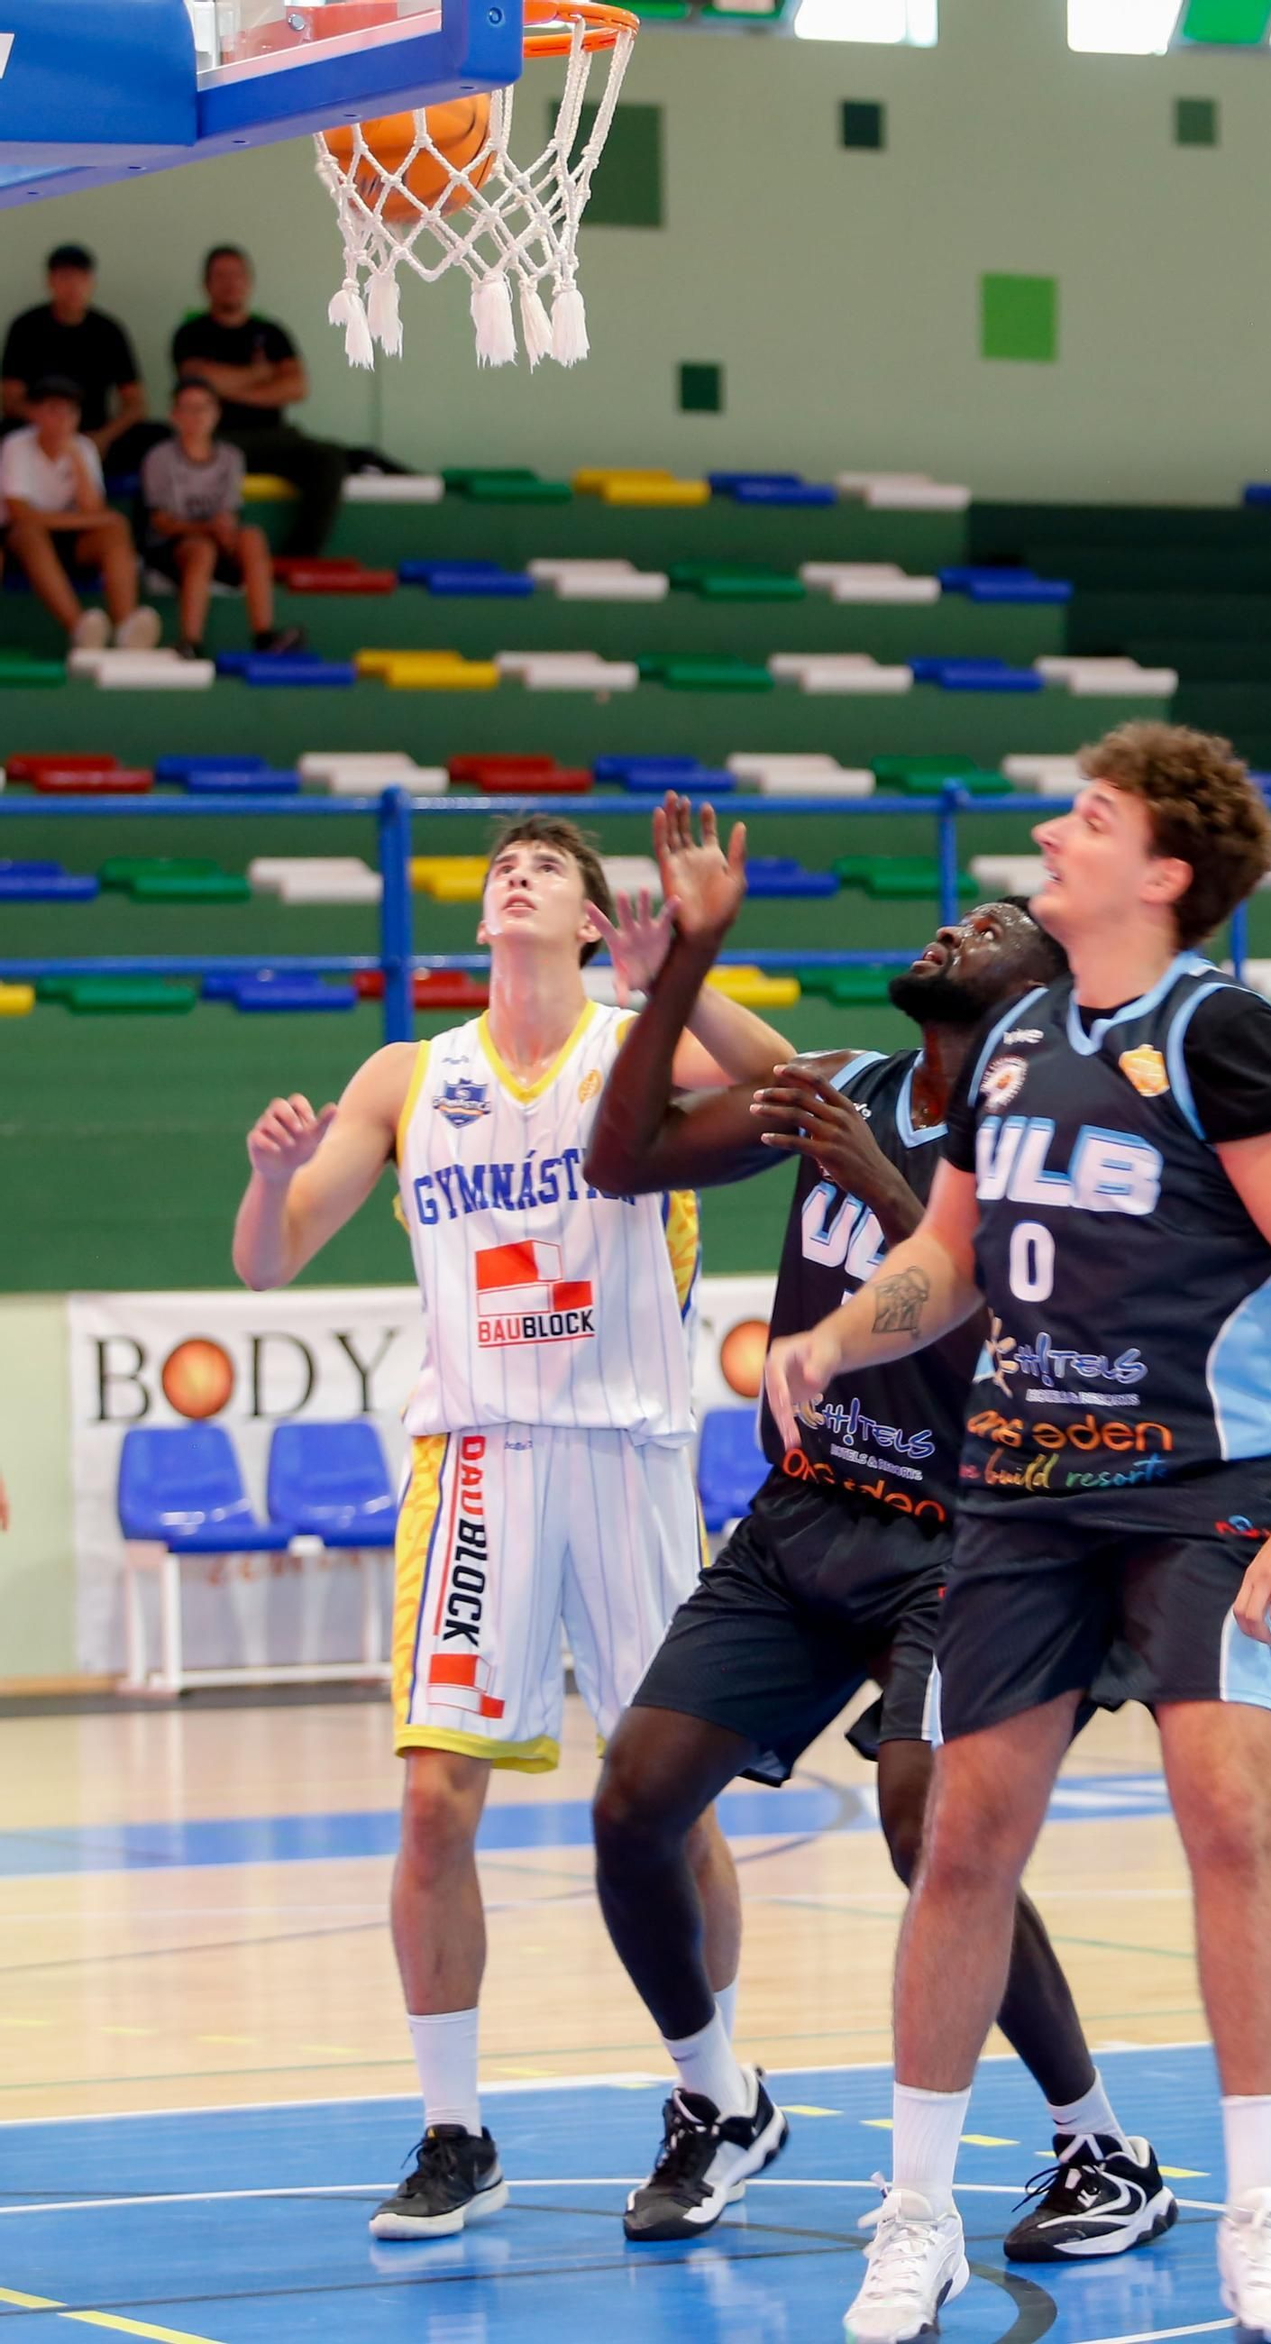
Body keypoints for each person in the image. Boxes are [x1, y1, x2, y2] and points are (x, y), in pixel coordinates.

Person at [765, 723, 1271, 2344]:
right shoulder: (1023, 1037)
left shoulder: (1231, 1040)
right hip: (1025, 1494)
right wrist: (832, 1339)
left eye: (1087, 816)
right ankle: (916, 2219)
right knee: (962, 1836)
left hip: (1205, 1492)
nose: (1051, 826)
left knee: (1230, 1813)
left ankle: (1262, 2211)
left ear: (1163, 872)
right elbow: (947, 1257)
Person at [584, 878, 1173, 2257]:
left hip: (979, 1541)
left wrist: (881, 1184)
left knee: (931, 1826)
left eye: (1000, 917)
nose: (960, 921)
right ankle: (719, 2098)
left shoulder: (1055, 1139)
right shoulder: (851, 1081)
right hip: (807, 1520)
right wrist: (683, 971)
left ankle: (1102, 2148)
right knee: (631, 1808)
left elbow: (1030, 1360)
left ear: (1047, 981)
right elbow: (626, 1159)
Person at [232, 802, 797, 2241]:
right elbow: (267, 1262)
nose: (518, 875)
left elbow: (796, 1091)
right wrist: (260, 1176)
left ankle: (718, 2097)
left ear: (596, 922)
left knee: (670, 1811)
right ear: (482, 919)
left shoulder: (639, 1045)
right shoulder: (409, 1075)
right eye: (501, 869)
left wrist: (688, 972)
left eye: (548, 868)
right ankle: (453, 2130)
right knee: (433, 1803)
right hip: (476, 1459)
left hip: (626, 1458)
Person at [171, 247, 346, 559]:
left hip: (273, 439)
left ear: (249, 282)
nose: (230, 283)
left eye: (237, 275)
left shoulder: (271, 333)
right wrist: (261, 374)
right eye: (221, 276)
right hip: (216, 440)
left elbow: (296, 387)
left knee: (329, 459)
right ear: (206, 284)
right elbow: (197, 378)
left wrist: (226, 389)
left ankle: (297, 558)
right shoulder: (191, 333)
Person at [141, 379, 304, 660]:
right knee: (201, 550)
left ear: (216, 412)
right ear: (174, 415)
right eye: (188, 408)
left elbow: (229, 511)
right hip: (172, 546)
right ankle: (190, 640)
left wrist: (225, 531)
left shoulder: (231, 457)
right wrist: (208, 528)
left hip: (218, 538)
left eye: (203, 408)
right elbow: (161, 521)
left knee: (251, 537)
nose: (196, 416)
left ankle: (264, 635)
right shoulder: (160, 457)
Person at [0, 377, 160, 651]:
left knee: (114, 530)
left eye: (70, 412)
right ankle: (80, 628)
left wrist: (75, 458)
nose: (63, 419)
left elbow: (94, 510)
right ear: (34, 413)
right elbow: (21, 515)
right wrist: (89, 519)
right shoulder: (16, 445)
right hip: (20, 545)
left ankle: (126, 627)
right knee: (30, 534)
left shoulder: (83, 448)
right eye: (54, 410)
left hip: (69, 542)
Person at [1, 244, 167, 474]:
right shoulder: (26, 327)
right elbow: (10, 399)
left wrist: (102, 438)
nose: (74, 286)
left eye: (81, 279)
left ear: (92, 283)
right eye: (65, 278)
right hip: (39, 431)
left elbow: (136, 403)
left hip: (95, 433)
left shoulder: (109, 331)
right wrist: (54, 428)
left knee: (160, 436)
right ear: (50, 282)